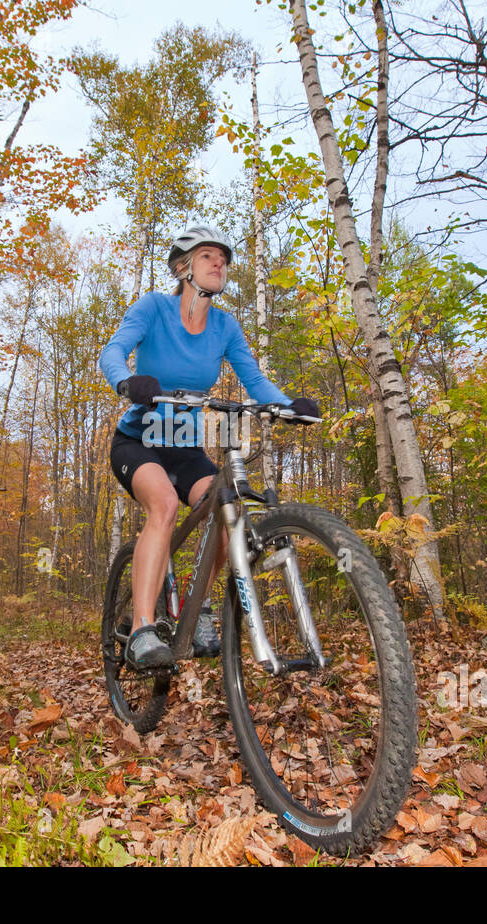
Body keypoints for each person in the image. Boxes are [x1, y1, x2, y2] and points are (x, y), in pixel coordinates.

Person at [99, 224, 319, 670]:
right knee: (163, 505)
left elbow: (253, 379)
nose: (219, 263)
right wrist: (126, 380)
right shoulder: (153, 308)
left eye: (223, 258)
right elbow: (114, 350)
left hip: (185, 448)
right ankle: (142, 629)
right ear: (183, 267)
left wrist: (286, 405)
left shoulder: (224, 326)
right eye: (208, 256)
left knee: (226, 509)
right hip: (138, 442)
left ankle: (198, 609)